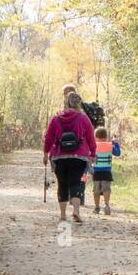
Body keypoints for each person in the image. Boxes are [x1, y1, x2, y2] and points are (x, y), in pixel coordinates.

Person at [42, 92, 96, 224]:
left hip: (59, 156)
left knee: (62, 184)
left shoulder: (56, 118)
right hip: (79, 157)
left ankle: (62, 215)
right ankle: (76, 211)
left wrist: (45, 153)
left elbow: (48, 137)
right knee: (76, 183)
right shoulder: (84, 118)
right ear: (78, 103)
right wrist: (93, 154)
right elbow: (90, 137)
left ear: (66, 103)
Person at [91, 127, 121, 215]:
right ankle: (107, 205)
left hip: (96, 172)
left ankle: (97, 207)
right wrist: (116, 143)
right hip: (107, 172)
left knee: (96, 190)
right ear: (106, 136)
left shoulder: (94, 146)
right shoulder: (110, 145)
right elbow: (117, 153)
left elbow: (89, 155)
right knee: (106, 189)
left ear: (95, 137)